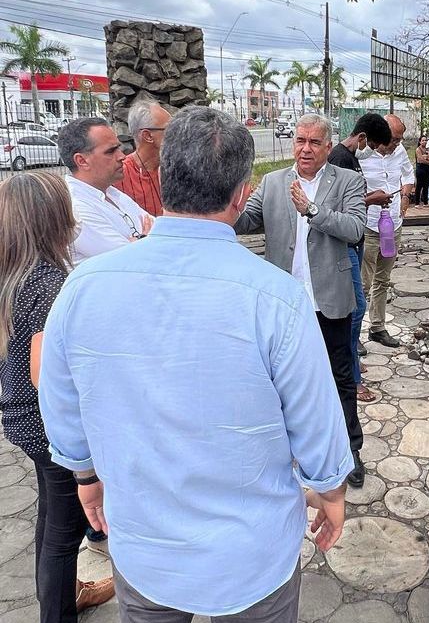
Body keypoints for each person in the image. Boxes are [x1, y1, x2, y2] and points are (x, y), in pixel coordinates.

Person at [39, 106, 352, 622]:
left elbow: (61, 398)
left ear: (163, 179)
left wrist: (85, 473)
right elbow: (316, 418)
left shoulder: (85, 286)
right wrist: (331, 489)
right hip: (252, 555)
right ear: (239, 195)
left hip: (145, 547)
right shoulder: (275, 297)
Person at [0, 172, 115, 622]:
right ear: (51, 219)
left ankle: (64, 595)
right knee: (63, 534)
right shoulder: (49, 284)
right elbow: (46, 376)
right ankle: (59, 611)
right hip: (49, 427)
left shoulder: (14, 273)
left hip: (22, 418)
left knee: (52, 521)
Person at [235, 113, 368, 486]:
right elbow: (246, 222)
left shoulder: (349, 181)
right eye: (300, 140)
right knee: (282, 379)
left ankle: (349, 449)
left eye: (313, 142)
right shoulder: (274, 182)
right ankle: (288, 450)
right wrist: (228, 206)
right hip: (283, 303)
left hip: (330, 300)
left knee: (341, 376)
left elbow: (356, 228)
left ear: (328, 146)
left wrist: (312, 211)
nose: (305, 149)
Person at [327, 112, 394, 403]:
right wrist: (373, 199)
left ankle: (352, 358)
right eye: (376, 147)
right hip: (344, 245)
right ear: (363, 138)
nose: (375, 154)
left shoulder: (350, 158)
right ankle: (350, 377)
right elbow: (337, 206)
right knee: (355, 308)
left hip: (354, 241)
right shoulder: (340, 158)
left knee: (357, 306)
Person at [56, 118, 152, 266]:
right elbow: (134, 259)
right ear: (82, 161)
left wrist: (139, 241)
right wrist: (145, 238)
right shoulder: (75, 208)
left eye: (118, 148)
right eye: (111, 151)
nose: (122, 156)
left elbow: (159, 231)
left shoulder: (112, 193)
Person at [360, 115, 415, 348]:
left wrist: (405, 195)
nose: (397, 143)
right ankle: (355, 335)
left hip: (392, 224)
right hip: (369, 226)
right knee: (362, 283)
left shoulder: (400, 151)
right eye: (393, 139)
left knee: (383, 280)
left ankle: (377, 328)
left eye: (400, 139)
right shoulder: (362, 155)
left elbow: (409, 175)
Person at [112, 97, 172, 216]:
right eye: (169, 128)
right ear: (147, 136)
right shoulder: (118, 176)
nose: (177, 133)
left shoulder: (176, 169)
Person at [414, 135, 429, 206]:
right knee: (419, 186)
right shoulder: (418, 149)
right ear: (420, 141)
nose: (425, 142)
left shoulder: (427, 149)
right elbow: (420, 160)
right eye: (423, 140)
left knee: (426, 186)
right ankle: (417, 203)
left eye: (426, 140)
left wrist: (426, 157)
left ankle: (425, 202)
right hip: (420, 169)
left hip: (427, 169)